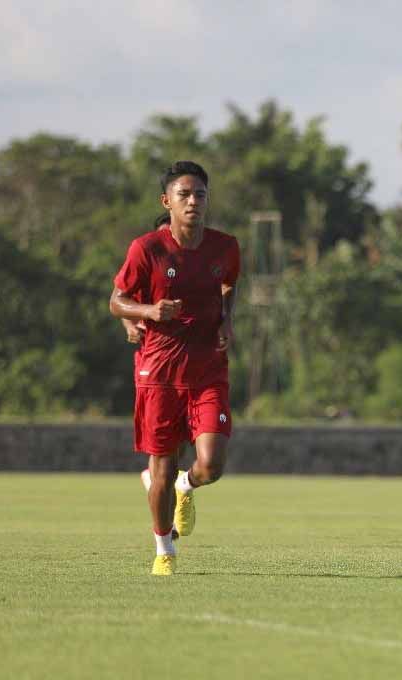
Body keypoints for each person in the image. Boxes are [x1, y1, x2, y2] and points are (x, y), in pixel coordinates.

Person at [109, 161, 241, 575]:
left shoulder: (225, 247)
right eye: (183, 195)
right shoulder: (147, 249)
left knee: (212, 464)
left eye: (200, 194)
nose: (192, 202)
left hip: (207, 369)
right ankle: (164, 549)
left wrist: (226, 318)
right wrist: (149, 311)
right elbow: (117, 300)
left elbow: (228, 284)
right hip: (160, 370)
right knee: (160, 469)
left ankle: (188, 485)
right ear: (167, 202)